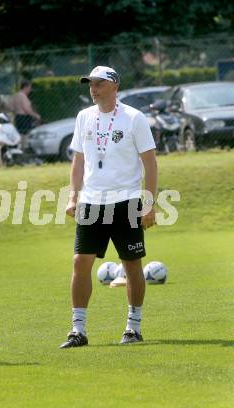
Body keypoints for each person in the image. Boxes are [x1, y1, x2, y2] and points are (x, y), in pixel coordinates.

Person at [60, 66, 158, 349]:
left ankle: (133, 326)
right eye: (90, 84)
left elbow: (150, 163)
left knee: (131, 265)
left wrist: (148, 204)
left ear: (114, 86)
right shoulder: (83, 118)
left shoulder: (134, 118)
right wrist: (72, 197)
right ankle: (77, 330)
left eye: (99, 83)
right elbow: (78, 161)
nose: (93, 88)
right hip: (91, 202)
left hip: (126, 202)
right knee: (80, 262)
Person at [9, 79, 41, 146]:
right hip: (24, 118)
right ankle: (25, 148)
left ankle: (21, 148)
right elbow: (27, 109)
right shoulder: (23, 96)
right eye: (30, 87)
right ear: (26, 87)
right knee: (26, 135)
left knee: (20, 134)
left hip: (18, 117)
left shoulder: (16, 95)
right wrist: (36, 115)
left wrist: (17, 110)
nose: (30, 89)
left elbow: (11, 107)